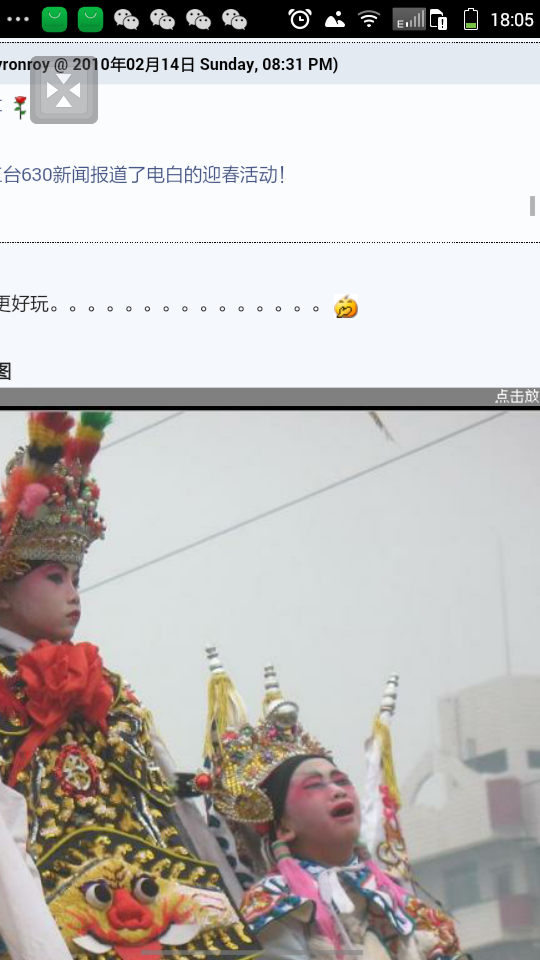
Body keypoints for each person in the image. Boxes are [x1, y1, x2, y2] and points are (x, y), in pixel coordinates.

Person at [0, 411, 259, 960]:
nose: (73, 594)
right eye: (54, 577)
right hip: (44, 911)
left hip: (160, 905)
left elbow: (164, 798)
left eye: (76, 579)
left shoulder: (108, 687)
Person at [183, 650, 472, 960]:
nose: (336, 791)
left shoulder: (400, 901)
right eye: (314, 785)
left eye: (341, 780)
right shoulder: (275, 907)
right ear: (284, 826)